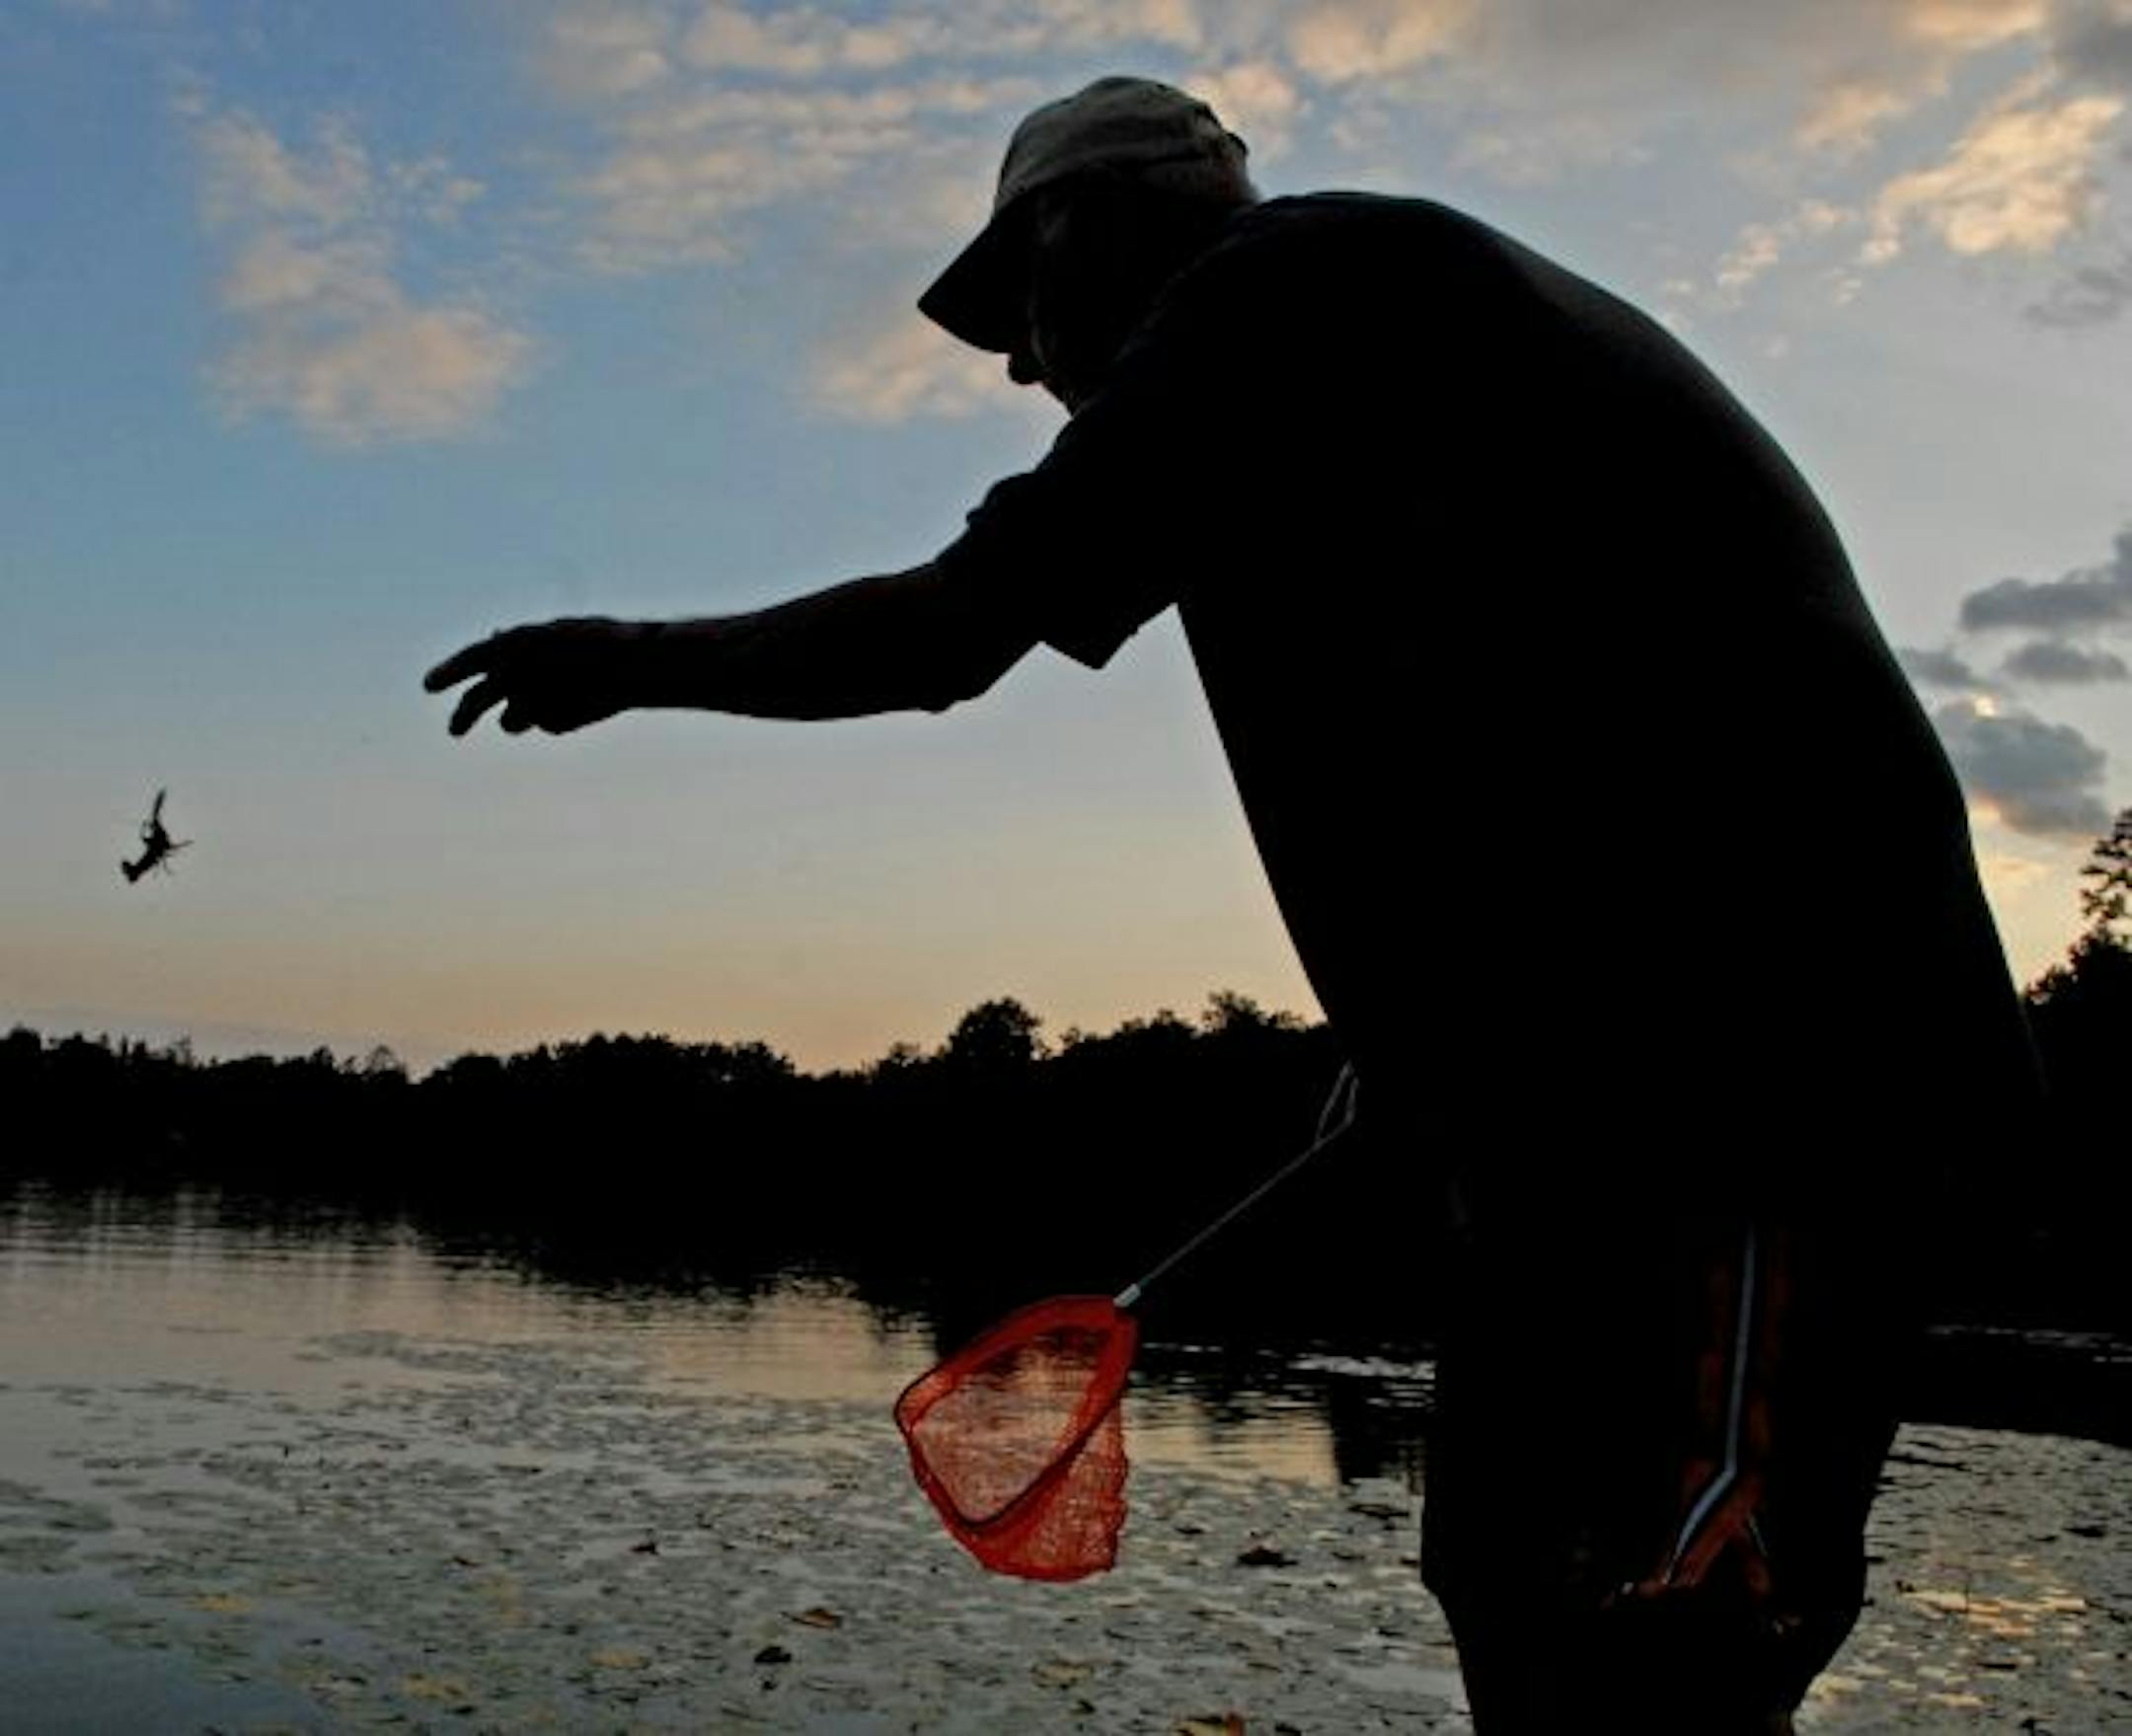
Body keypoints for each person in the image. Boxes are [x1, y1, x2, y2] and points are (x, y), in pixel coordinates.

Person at [425, 76, 2040, 1733]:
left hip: (1768, 1065)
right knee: (1500, 1562)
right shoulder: (1334, 369)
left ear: (1093, 220)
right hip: (1571, 1091)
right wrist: (1425, 1033)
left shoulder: (1291, 285)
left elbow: (953, 629)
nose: (1010, 361)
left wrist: (631, 661)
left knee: (1680, 1606)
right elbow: (1521, 703)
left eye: (1010, 299)